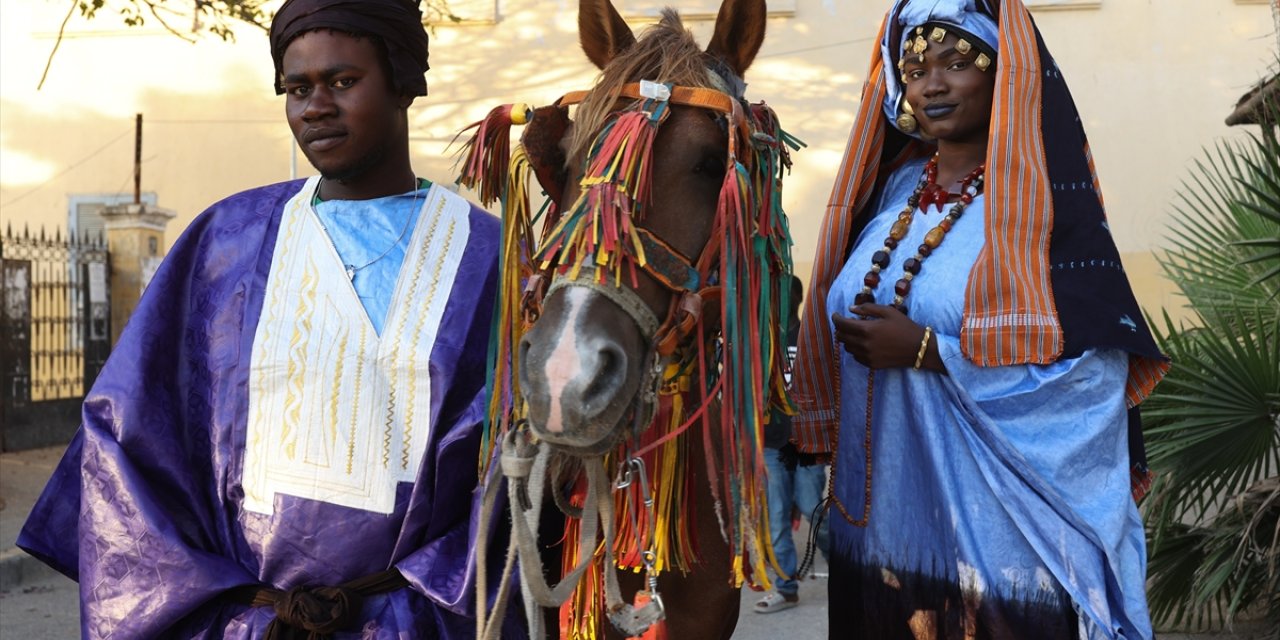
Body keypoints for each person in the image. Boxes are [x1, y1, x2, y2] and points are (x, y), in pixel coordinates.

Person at [17, 1, 522, 637]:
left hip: (417, 623)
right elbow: (133, 434)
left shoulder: (491, 261)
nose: (316, 107)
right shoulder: (225, 244)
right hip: (249, 624)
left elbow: (517, 470)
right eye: (297, 88)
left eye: (343, 82)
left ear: (402, 83)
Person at [790, 0, 1170, 638]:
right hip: (881, 535)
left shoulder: (1039, 205)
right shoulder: (886, 199)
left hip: (999, 544)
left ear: (1007, 75)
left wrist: (929, 352)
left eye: (957, 62)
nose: (931, 83)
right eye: (914, 67)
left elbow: (1095, 379)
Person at [755, 275, 830, 614]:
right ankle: (785, 589)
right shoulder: (760, 342)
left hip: (806, 444)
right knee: (776, 519)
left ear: (797, 299)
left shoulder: (811, 338)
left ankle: (848, 570)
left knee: (815, 509)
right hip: (771, 444)